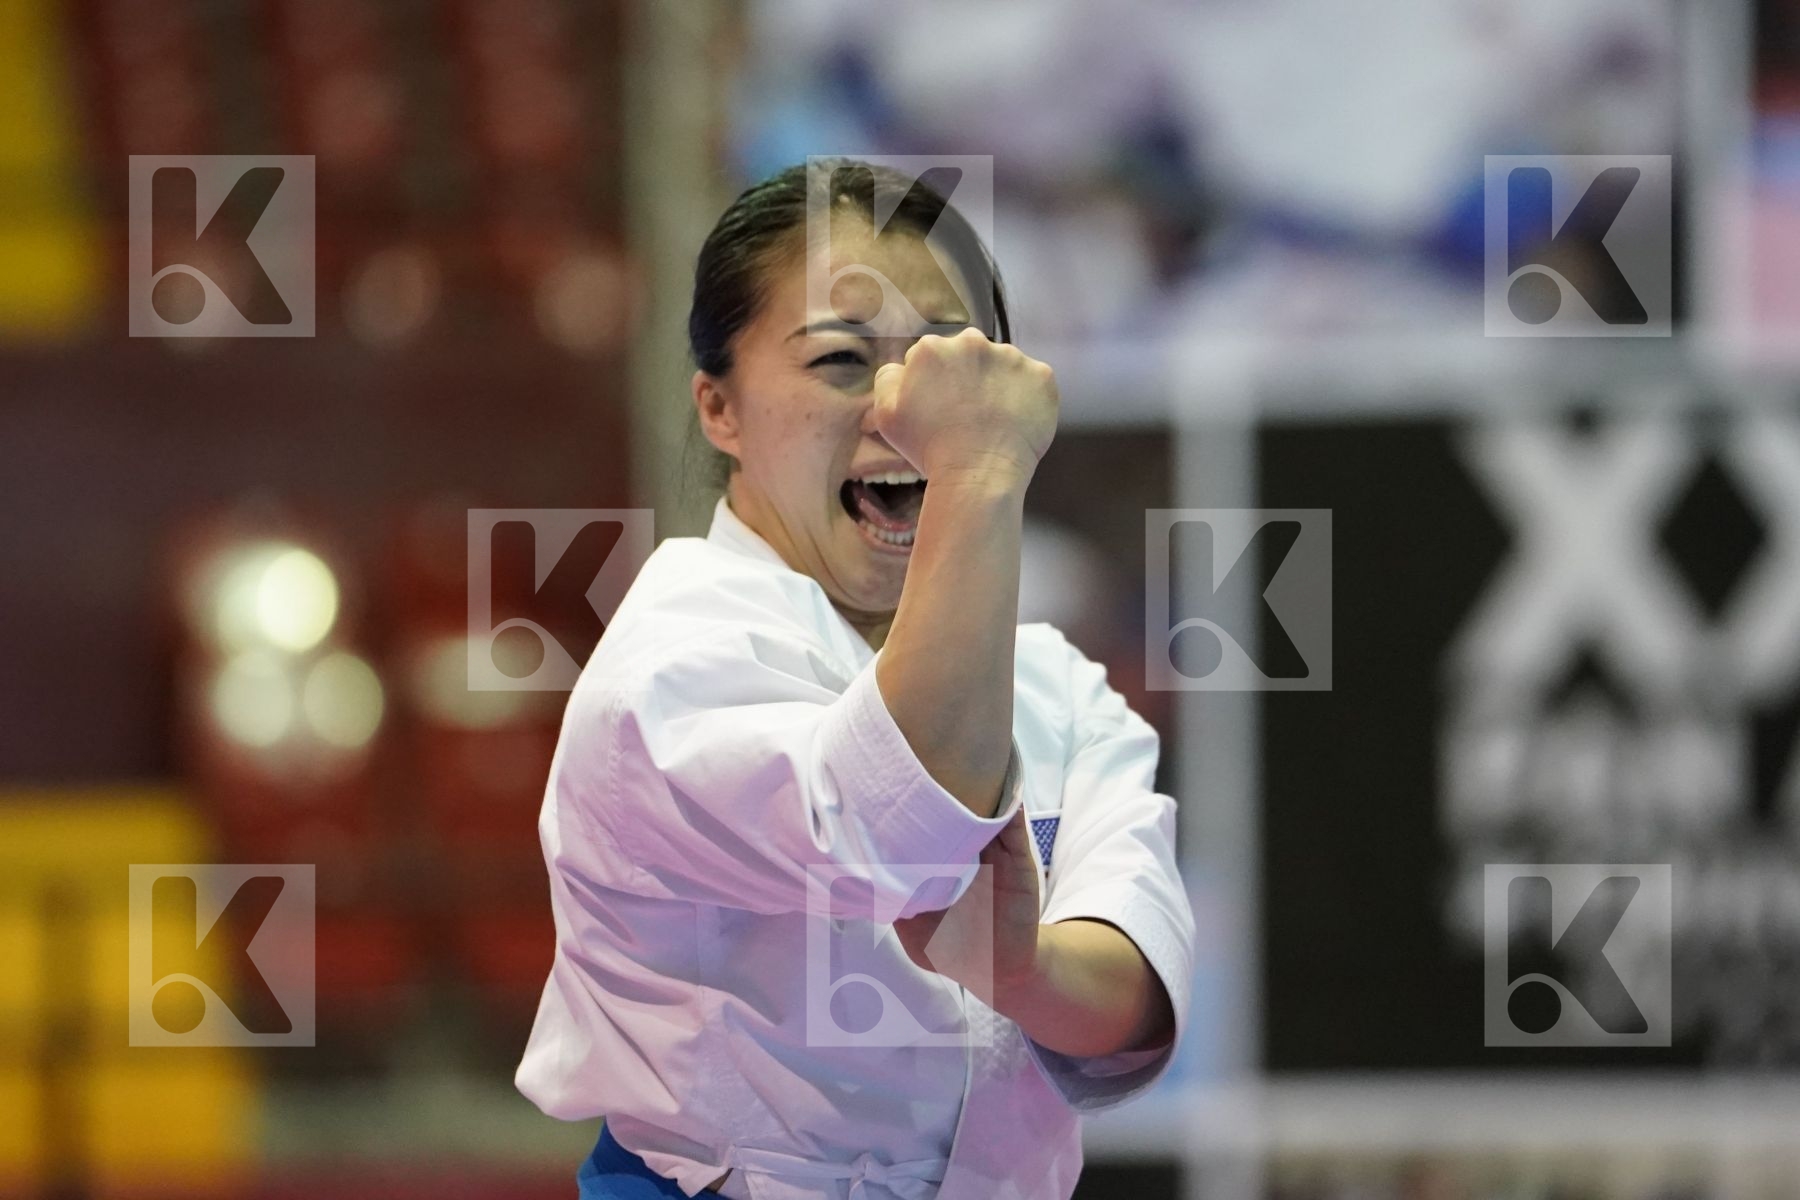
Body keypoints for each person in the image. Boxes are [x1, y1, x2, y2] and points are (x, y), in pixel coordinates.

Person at [516, 159, 1196, 1200]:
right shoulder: (671, 665)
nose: (902, 409)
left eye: (938, 368)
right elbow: (899, 828)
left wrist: (1028, 974)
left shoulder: (1057, 684)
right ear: (719, 408)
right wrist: (976, 472)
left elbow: (1131, 992)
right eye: (840, 360)